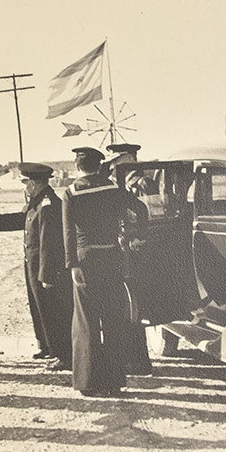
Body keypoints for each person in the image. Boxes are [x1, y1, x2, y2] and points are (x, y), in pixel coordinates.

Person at [62, 146, 144, 397]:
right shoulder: (113, 189)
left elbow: (67, 233)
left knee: (86, 321)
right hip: (111, 257)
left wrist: (72, 264)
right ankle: (114, 380)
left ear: (78, 167)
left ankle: (88, 382)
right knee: (112, 320)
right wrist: (137, 235)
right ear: (99, 166)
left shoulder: (71, 192)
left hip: (85, 259)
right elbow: (140, 209)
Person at [0, 163, 72, 370]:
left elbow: (48, 244)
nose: (24, 188)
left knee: (52, 311)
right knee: (40, 308)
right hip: (35, 267)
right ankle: (48, 347)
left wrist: (46, 275)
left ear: (32, 184)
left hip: (44, 269)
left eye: (25, 184)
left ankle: (63, 354)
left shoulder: (48, 205)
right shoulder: (38, 202)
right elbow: (21, 220)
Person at [105, 142, 154, 376]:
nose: (114, 166)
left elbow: (145, 211)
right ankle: (133, 359)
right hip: (123, 251)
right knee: (127, 306)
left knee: (133, 307)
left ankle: (138, 361)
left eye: (118, 161)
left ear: (130, 159)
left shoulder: (142, 183)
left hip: (134, 253)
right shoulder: (121, 183)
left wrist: (139, 236)